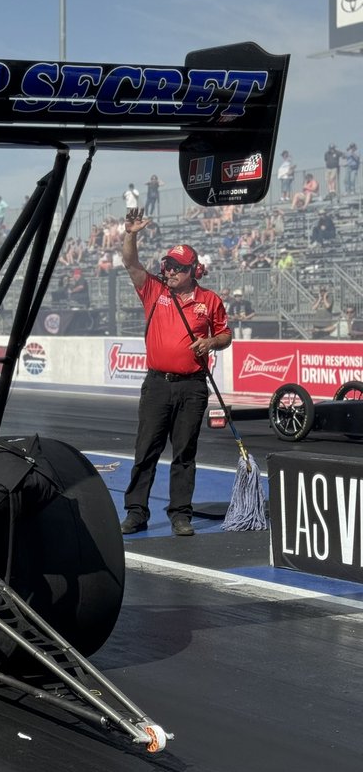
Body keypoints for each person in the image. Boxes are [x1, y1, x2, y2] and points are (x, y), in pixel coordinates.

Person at [119, 213, 231, 537]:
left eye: (177, 267)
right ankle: (136, 513)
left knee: (184, 453)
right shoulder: (154, 290)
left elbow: (226, 336)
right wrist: (130, 234)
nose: (169, 271)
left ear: (193, 271)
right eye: (167, 265)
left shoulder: (209, 300)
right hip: (157, 385)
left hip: (193, 387)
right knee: (146, 451)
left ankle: (180, 515)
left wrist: (210, 341)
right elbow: (130, 263)